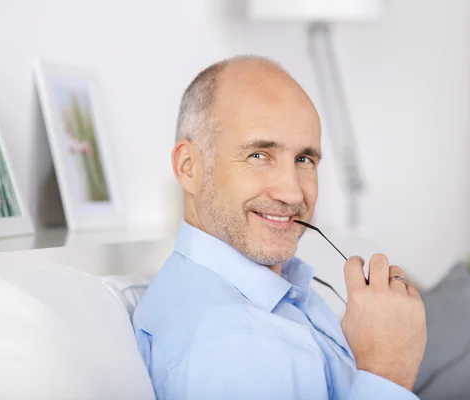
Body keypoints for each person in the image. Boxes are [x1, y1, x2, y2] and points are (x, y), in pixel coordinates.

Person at [133, 55, 427, 399]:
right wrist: (386, 374)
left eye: (304, 160)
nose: (291, 192)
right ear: (188, 167)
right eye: (258, 155)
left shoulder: (276, 292)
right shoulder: (233, 344)